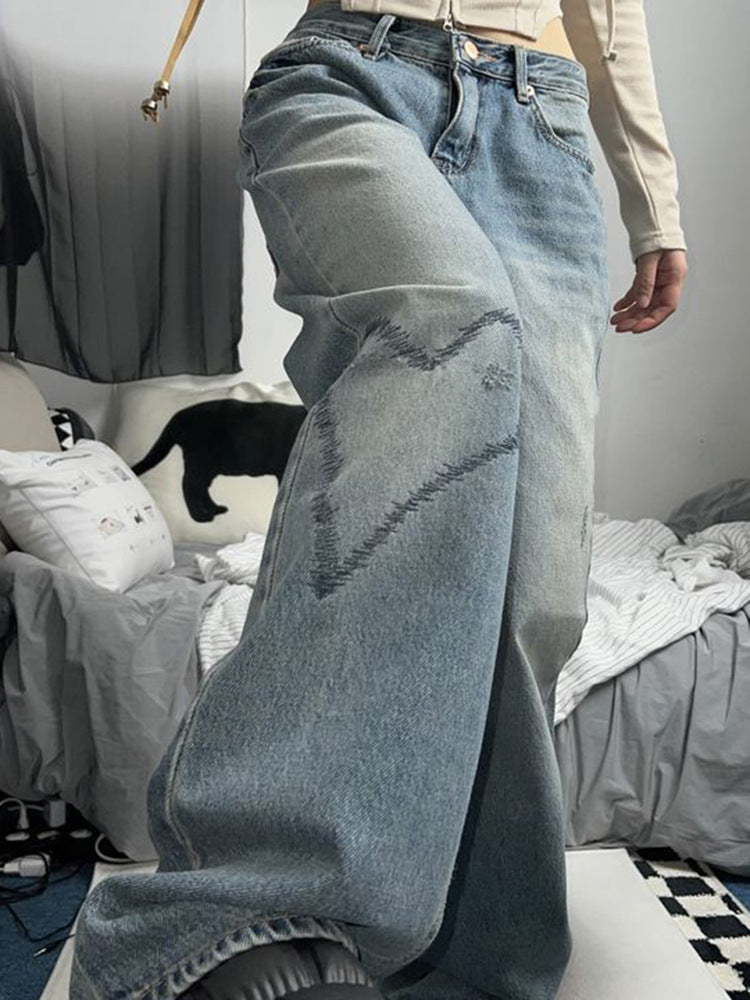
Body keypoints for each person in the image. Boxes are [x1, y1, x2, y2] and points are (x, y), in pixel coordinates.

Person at [69, 2, 688, 999]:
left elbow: (613, 14)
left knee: (536, 590)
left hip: (544, 122)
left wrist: (655, 206)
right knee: (446, 315)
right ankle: (239, 911)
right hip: (352, 70)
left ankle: (465, 963)